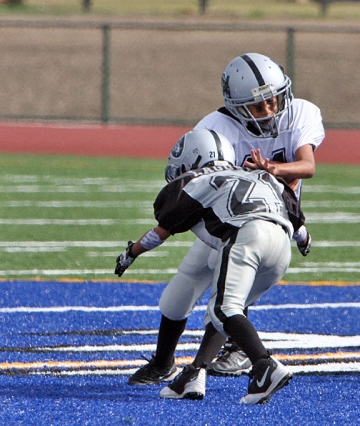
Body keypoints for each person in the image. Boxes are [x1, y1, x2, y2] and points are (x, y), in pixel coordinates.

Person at [125, 52, 324, 385]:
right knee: (186, 285)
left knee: (228, 298)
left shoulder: (301, 112)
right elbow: (205, 189)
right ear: (235, 106)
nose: (269, 111)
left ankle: (215, 363)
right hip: (231, 224)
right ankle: (165, 363)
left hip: (270, 224)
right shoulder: (216, 129)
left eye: (273, 101)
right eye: (258, 106)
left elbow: (308, 167)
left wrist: (273, 175)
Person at [115, 129, 304, 404]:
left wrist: (130, 253)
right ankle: (194, 372)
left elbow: (163, 229)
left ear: (193, 158)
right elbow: (298, 222)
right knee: (228, 309)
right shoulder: (259, 176)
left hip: (246, 236)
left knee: (223, 309)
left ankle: (265, 367)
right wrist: (304, 240)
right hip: (281, 245)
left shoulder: (199, 179)